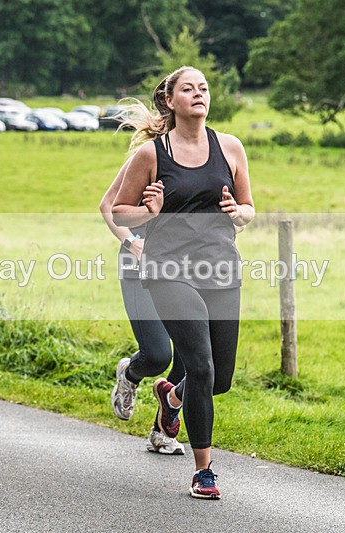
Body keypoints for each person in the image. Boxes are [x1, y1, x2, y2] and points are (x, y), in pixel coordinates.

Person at [112, 66, 254, 499]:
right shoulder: (152, 155)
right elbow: (119, 212)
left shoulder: (230, 147)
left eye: (204, 87)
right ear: (170, 101)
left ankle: (172, 398)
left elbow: (249, 209)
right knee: (200, 365)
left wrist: (237, 215)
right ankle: (203, 470)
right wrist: (148, 215)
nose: (199, 93)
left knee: (219, 379)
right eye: (188, 88)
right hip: (168, 270)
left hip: (220, 268)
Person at [100, 155, 186, 455]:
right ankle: (130, 374)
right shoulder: (148, 155)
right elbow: (107, 206)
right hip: (139, 264)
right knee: (159, 354)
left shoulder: (207, 155)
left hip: (183, 266)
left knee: (190, 352)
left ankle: (163, 431)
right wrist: (131, 243)